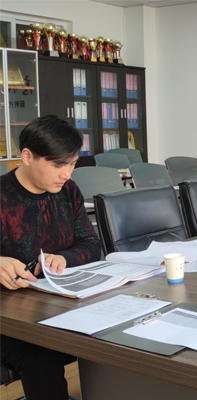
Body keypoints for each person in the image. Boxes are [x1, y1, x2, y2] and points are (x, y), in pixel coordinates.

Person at [0, 115, 102, 400]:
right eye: (58, 165)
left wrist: (64, 258)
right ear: (27, 156)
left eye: (72, 164)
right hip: (10, 319)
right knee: (41, 355)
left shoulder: (67, 191)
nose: (66, 174)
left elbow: (91, 244)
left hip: (56, 305)